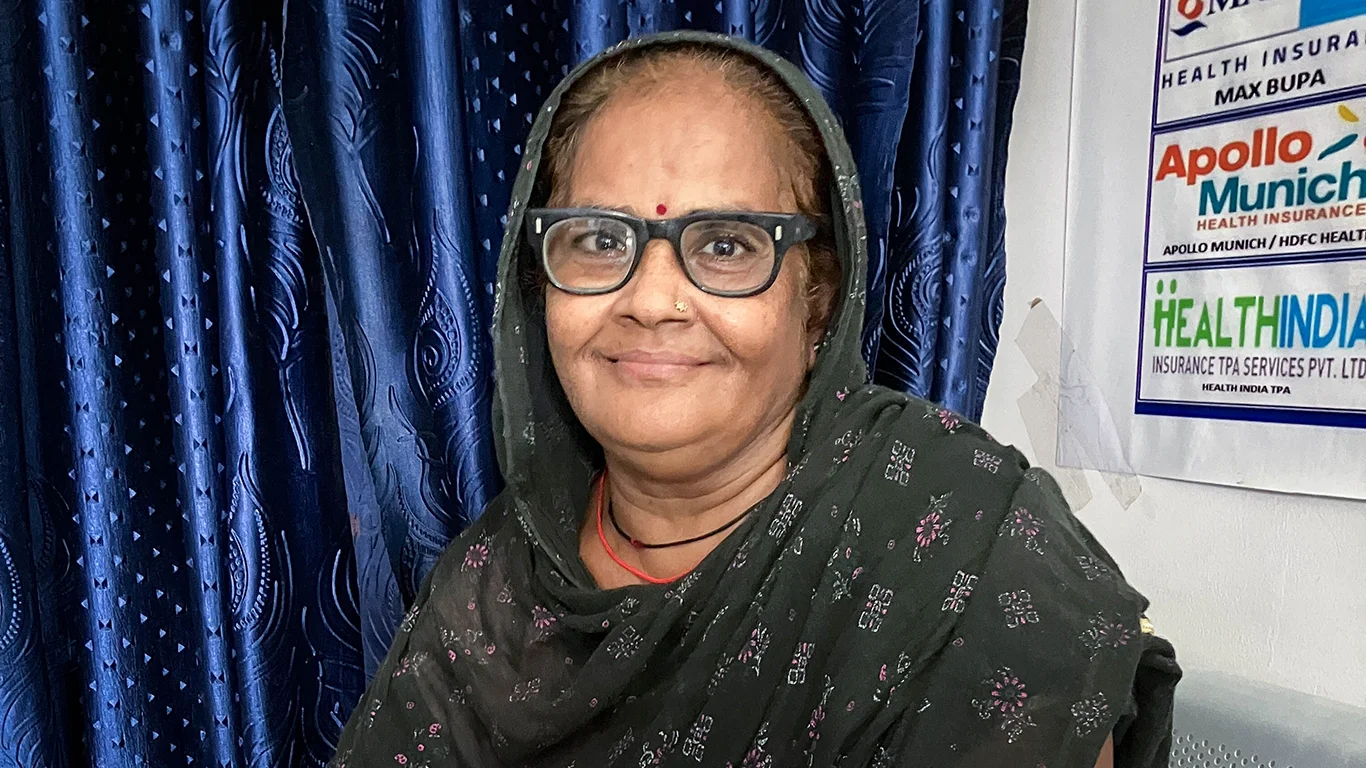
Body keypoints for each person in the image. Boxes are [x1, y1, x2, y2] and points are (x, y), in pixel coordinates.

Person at [328, 31, 1179, 768]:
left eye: (728, 245)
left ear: (818, 302)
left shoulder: (957, 543)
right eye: (598, 239)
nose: (651, 300)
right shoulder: (497, 580)